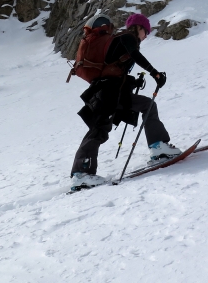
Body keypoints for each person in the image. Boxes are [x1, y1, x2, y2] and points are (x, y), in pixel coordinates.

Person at [70, 12, 181, 187]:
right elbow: (135, 55)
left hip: (111, 91)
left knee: (146, 105)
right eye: (146, 31)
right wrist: (155, 73)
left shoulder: (121, 40)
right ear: (138, 27)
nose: (146, 35)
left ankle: (158, 146)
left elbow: (114, 69)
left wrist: (133, 81)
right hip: (107, 93)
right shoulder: (127, 37)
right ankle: (82, 173)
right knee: (99, 128)